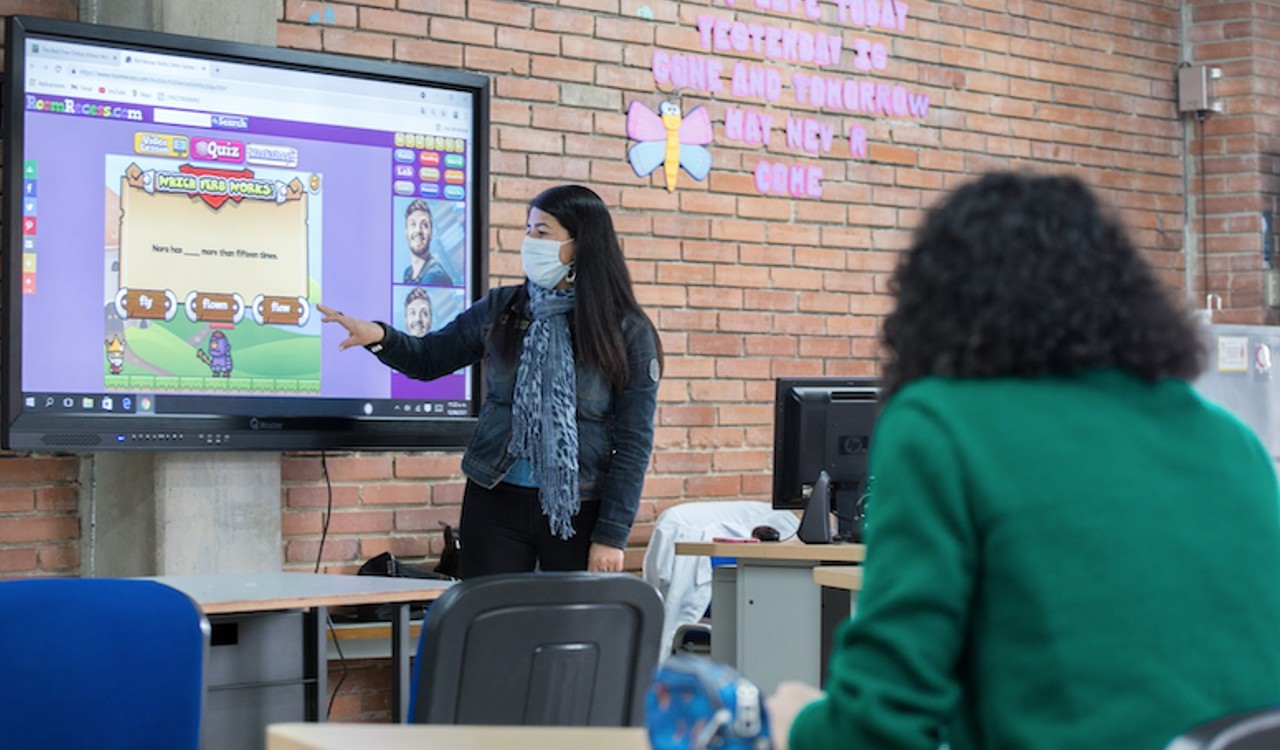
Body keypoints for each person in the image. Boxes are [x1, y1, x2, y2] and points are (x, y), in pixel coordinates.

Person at [767, 172, 1280, 749]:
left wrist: (790, 723)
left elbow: (879, 728)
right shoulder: (1232, 441)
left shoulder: (940, 426)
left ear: (935, 306)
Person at [320, 184, 662, 576]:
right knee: (489, 623)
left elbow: (634, 442)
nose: (529, 242)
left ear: (580, 244)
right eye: (528, 230)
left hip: (579, 507)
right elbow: (430, 359)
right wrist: (380, 336)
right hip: (495, 497)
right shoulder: (502, 309)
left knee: (567, 630)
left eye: (542, 233)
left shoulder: (626, 330)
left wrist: (613, 534)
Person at [401, 199, 454, 286]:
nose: (418, 230)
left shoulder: (436, 276)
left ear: (431, 233)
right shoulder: (408, 273)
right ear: (406, 232)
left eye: (424, 225)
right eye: (413, 224)